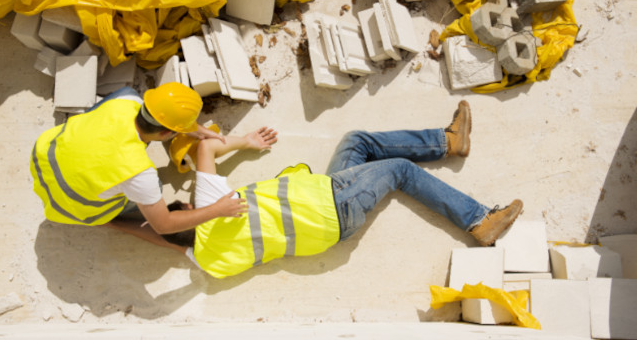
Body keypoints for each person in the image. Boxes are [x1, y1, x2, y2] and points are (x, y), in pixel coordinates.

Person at [180, 100, 524, 278]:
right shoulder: (207, 208)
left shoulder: (209, 262)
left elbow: (166, 235)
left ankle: (449, 141)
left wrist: (131, 226)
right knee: (401, 170)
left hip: (326, 207)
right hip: (332, 204)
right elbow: (205, 148)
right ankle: (478, 221)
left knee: (356, 142)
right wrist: (247, 142)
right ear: (185, 212)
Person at [30, 83, 247, 251]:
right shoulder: (138, 173)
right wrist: (217, 210)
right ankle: (107, 216)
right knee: (156, 187)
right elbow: (164, 225)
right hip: (71, 204)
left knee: (121, 92)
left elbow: (157, 116)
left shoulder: (126, 101)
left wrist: (193, 129)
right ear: (166, 134)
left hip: (44, 158)